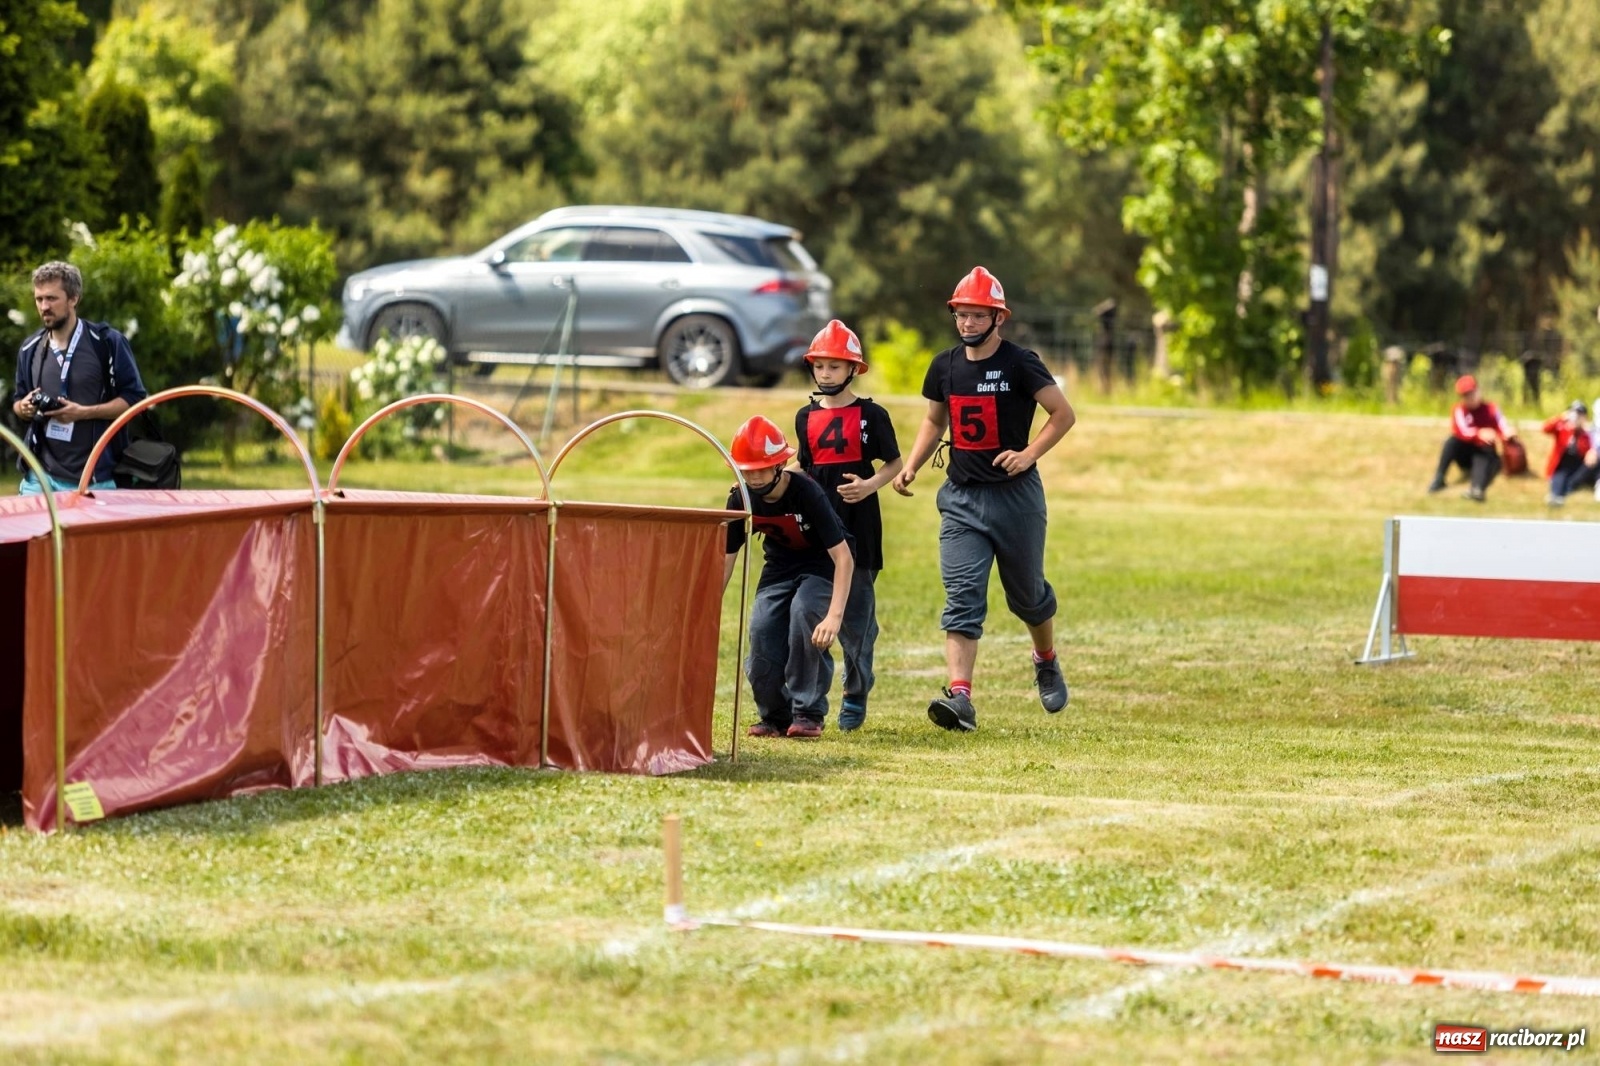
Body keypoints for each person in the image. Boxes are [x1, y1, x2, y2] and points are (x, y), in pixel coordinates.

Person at [890, 266, 1076, 733]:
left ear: (998, 319)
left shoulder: (1021, 362)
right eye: (961, 315)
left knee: (1028, 596)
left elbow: (1062, 414)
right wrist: (913, 463)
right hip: (961, 499)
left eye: (978, 316)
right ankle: (961, 697)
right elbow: (935, 421)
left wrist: (1029, 454)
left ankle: (1046, 659)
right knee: (962, 598)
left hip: (1016, 499)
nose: (968, 324)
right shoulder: (944, 365)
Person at [791, 320, 902, 732]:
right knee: (806, 613)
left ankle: (856, 690)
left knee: (857, 622)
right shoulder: (805, 416)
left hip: (860, 528)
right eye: (819, 366)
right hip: (817, 530)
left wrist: (870, 485)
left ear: (853, 369)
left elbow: (895, 463)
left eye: (834, 367)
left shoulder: (872, 414)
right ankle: (806, 699)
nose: (825, 374)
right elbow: (803, 467)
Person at [723, 415, 855, 739]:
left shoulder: (806, 493)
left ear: (780, 464)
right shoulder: (740, 497)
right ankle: (775, 716)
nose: (752, 478)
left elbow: (844, 558)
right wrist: (708, 605)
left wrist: (834, 617)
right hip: (779, 568)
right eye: (746, 470)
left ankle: (808, 712)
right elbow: (725, 557)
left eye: (759, 469)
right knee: (762, 628)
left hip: (822, 566)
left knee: (804, 613)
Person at [11, 261, 147, 495]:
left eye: (52, 299)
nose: (44, 307)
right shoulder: (30, 349)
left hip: (95, 480)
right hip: (40, 479)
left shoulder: (107, 343)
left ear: (73, 299)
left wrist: (84, 412)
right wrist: (22, 408)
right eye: (39, 299)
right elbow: (18, 399)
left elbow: (135, 400)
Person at [1426, 374, 1516, 502]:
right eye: (1466, 395)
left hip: (1485, 452)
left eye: (1472, 393)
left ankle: (1477, 489)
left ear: (1478, 391)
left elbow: (1503, 426)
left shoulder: (1491, 409)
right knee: (1451, 441)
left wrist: (1508, 434)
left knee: (1484, 452)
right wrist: (1479, 433)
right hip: (1465, 454)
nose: (1470, 398)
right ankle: (1439, 478)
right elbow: (1461, 431)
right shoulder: (1459, 410)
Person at [1540, 400, 1592, 507]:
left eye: (1579, 414)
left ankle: (1562, 493)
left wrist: (1579, 429)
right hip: (1563, 464)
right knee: (1560, 475)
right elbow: (1545, 428)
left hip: (1577, 465)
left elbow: (1585, 451)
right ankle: (1556, 495)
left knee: (1573, 478)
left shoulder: (1585, 434)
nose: (1576, 416)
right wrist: (1562, 418)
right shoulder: (1563, 428)